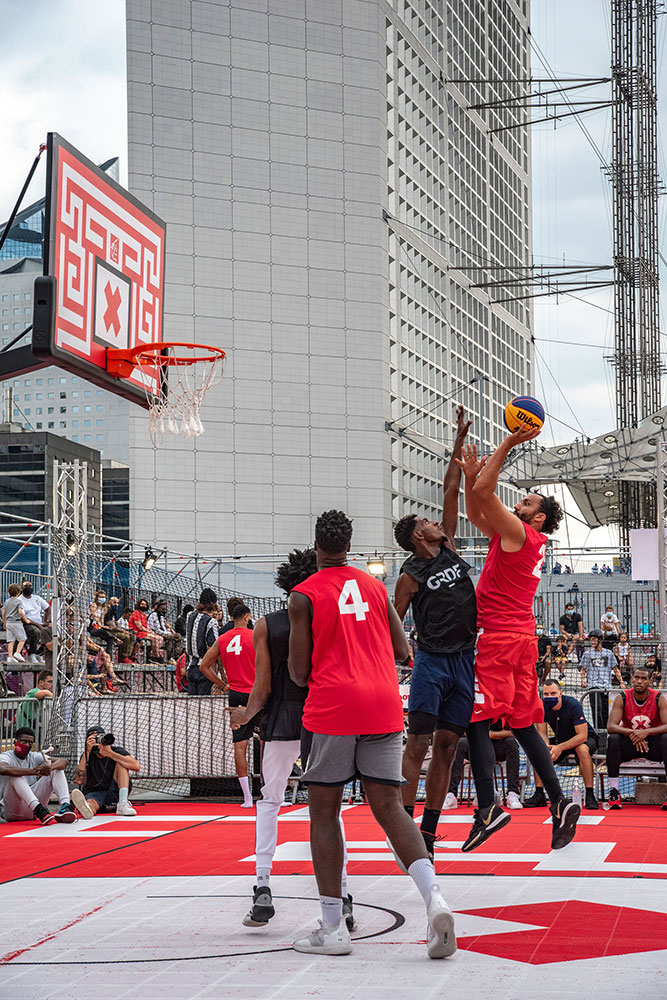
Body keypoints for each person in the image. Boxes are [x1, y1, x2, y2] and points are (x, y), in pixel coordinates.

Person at [288, 509, 456, 959]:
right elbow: (403, 649)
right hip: (382, 703)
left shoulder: (303, 594)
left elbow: (301, 672)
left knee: (324, 812)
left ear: (316, 544)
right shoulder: (373, 586)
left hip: (333, 708)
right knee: (390, 809)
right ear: (349, 544)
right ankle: (435, 899)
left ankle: (332, 926)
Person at [456, 428, 580, 852]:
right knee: (524, 723)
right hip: (522, 639)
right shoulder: (516, 538)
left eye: (526, 502)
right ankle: (559, 801)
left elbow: (486, 493)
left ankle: (489, 805)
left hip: (498, 640)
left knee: (474, 718)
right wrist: (474, 480)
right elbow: (478, 512)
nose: (518, 504)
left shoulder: (521, 536)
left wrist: (508, 444)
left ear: (539, 517)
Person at [226, 548, 357, 933]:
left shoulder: (267, 624)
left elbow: (262, 686)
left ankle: (263, 886)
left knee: (270, 801)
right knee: (328, 808)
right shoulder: (328, 616)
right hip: (322, 714)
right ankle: (343, 896)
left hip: (281, 719)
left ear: (284, 583)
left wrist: (246, 716)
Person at [391, 406, 477, 859]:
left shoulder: (450, 546)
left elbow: (450, 488)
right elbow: (392, 620)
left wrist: (458, 440)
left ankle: (427, 829)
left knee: (447, 744)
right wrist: (397, 658)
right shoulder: (409, 573)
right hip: (431, 661)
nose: (437, 521)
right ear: (417, 535)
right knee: (419, 741)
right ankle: (403, 824)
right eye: (429, 522)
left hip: (466, 659)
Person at [200, 603, 256, 807]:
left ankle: (247, 798)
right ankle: (270, 794)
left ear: (231, 617)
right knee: (268, 743)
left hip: (236, 694)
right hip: (257, 694)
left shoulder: (223, 639)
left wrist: (223, 685)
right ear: (247, 617)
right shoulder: (255, 636)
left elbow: (204, 666)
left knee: (240, 745)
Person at [524, 678, 599, 810]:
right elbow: (542, 733)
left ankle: (589, 794)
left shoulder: (573, 704)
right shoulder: (541, 705)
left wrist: (560, 747)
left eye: (553, 693)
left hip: (584, 739)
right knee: (538, 750)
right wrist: (546, 747)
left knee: (582, 749)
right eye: (546, 694)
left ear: (560, 693)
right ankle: (539, 793)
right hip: (561, 739)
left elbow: (582, 736)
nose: (549, 697)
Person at [606, 665, 667, 809]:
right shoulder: (622, 697)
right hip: (631, 744)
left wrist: (646, 732)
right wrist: (634, 734)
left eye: (643, 678)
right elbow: (611, 726)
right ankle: (614, 791)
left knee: (666, 738)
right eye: (636, 678)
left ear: (650, 681)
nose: (639, 681)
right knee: (613, 739)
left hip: (652, 745)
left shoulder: (659, 698)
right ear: (632, 680)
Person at [0, 726, 76, 824]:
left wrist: (49, 768)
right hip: (12, 811)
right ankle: (38, 808)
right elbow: (3, 768)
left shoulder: (34, 756)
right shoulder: (6, 756)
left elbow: (64, 761)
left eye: (30, 743)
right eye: (23, 742)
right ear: (15, 742)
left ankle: (65, 806)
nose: (27, 745)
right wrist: (35, 772)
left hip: (34, 811)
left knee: (57, 769)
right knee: (15, 775)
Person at [444, 721, 523, 809]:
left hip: (498, 745)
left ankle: (513, 793)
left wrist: (491, 735)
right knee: (460, 743)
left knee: (511, 743)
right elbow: (461, 730)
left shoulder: (504, 708)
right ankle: (451, 794)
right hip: (476, 743)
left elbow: (513, 732)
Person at [70, 725, 141, 818]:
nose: (97, 742)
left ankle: (123, 804)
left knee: (121, 763)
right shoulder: (87, 756)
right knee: (90, 804)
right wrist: (87, 752)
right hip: (96, 793)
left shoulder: (116, 751)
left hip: (115, 791)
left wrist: (110, 754)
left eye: (99, 738)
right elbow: (79, 781)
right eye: (93, 739)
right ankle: (87, 810)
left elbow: (136, 766)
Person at [579, 629, 624, 729]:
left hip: (606, 686)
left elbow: (615, 669)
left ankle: (605, 730)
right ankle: (599, 731)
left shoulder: (608, 653)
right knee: (596, 709)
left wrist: (621, 682)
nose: (592, 642)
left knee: (605, 710)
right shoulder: (587, 654)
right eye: (591, 640)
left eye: (594, 640)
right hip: (593, 686)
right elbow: (583, 669)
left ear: (600, 640)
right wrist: (582, 680)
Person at [185, 589, 220, 695]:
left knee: (192, 705)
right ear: (213, 604)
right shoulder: (211, 622)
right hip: (204, 669)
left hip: (191, 667)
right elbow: (212, 650)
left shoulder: (189, 616)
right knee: (204, 705)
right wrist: (214, 675)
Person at [19, 580, 48, 663]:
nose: (28, 588)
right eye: (26, 586)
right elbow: (23, 617)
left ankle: (39, 654)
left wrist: (47, 620)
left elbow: (48, 608)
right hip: (26, 624)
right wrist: (38, 625)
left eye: (30, 586)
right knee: (36, 631)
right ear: (22, 588)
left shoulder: (37, 598)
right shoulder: (20, 600)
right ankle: (31, 654)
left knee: (53, 631)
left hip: (39, 623)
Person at [128, 598, 164, 662]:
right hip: (137, 632)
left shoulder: (144, 615)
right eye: (142, 604)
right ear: (139, 604)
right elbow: (139, 626)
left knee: (160, 638)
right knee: (155, 638)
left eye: (145, 604)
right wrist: (148, 631)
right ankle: (157, 656)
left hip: (143, 631)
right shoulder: (136, 613)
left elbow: (145, 626)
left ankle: (153, 654)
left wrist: (150, 630)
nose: (143, 606)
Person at [148, 599, 183, 663]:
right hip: (156, 633)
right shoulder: (153, 615)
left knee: (178, 637)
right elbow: (155, 629)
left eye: (165, 609)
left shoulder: (161, 617)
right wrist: (169, 634)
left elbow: (163, 628)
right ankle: (169, 657)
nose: (164, 611)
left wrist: (170, 632)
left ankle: (175, 655)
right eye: (162, 609)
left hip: (163, 632)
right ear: (158, 608)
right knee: (172, 637)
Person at [3, 582, 31, 663]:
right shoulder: (18, 601)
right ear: (19, 592)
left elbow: (4, 612)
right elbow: (20, 612)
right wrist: (26, 620)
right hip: (16, 622)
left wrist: (4, 622)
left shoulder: (7, 601)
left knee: (11, 641)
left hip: (8, 622)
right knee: (22, 639)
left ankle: (10, 656)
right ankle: (17, 653)